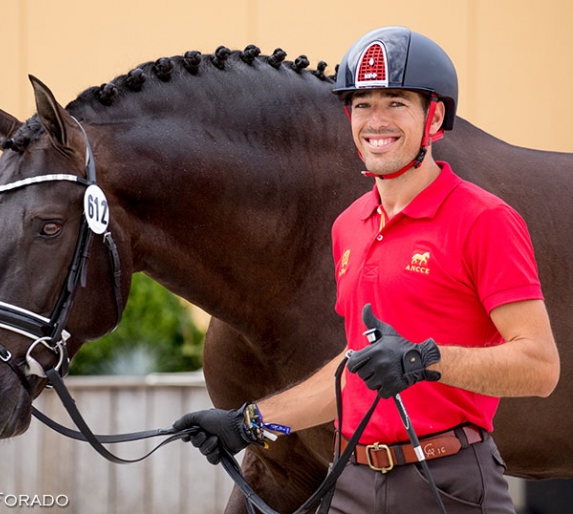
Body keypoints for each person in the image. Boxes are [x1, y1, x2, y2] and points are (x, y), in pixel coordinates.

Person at [173, 26, 560, 513]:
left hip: (450, 484)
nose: (376, 121)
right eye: (362, 104)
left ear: (434, 116)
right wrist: (247, 422)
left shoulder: (485, 219)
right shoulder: (348, 227)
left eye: (396, 102)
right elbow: (355, 368)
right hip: (352, 482)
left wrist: (423, 361)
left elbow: (539, 367)